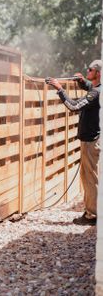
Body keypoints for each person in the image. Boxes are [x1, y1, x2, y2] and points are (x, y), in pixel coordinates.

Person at [46, 59, 101, 225]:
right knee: (91, 177)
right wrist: (83, 82)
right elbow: (91, 88)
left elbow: (74, 106)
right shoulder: (97, 89)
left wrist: (60, 90)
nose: (87, 71)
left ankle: (92, 216)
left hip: (92, 141)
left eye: (90, 70)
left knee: (90, 179)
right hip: (93, 139)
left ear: (98, 73)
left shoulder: (97, 93)